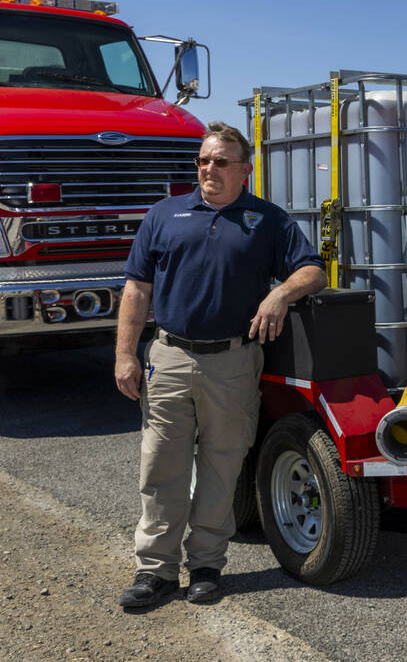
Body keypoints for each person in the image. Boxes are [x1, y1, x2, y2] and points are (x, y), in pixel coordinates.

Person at [113, 122, 326, 608]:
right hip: (168, 357)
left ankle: (207, 565)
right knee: (160, 468)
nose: (210, 169)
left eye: (222, 161)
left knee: (221, 468)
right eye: (204, 160)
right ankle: (156, 573)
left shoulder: (267, 220)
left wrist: (279, 293)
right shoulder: (164, 215)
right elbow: (137, 289)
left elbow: (312, 270)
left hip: (233, 362)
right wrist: (125, 355)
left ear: (245, 171)